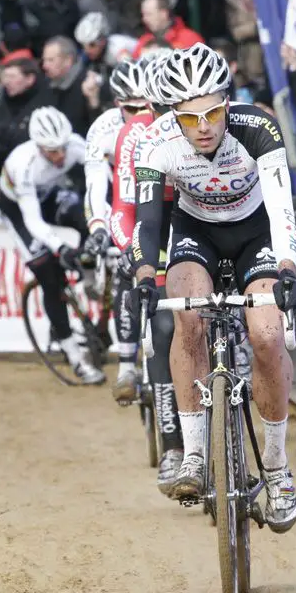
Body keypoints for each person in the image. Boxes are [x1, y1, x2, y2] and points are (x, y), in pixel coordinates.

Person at [130, 44, 296, 532]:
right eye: (190, 118)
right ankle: (193, 454)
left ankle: (276, 468)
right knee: (186, 317)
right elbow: (149, 224)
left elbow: (282, 208)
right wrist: (146, 276)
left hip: (256, 234)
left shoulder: (257, 128)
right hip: (196, 232)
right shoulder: (155, 144)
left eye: (212, 112)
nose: (203, 127)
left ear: (227, 102)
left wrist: (288, 269)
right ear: (172, 116)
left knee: (267, 337)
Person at [94, 52, 184, 493]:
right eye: (161, 107)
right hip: (153, 224)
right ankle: (172, 445)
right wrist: (138, 257)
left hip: (202, 223)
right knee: (165, 327)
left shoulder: (211, 124)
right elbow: (124, 209)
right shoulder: (135, 133)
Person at [0, 107, 105, 385]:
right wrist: (60, 248)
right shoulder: (23, 164)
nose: (59, 156)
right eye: (51, 151)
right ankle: (75, 357)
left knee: (84, 216)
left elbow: (107, 178)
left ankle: (88, 274)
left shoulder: (76, 145)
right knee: (48, 275)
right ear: (38, 145)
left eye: (62, 149)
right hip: (19, 209)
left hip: (49, 195)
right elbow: (33, 221)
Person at [82, 59, 151, 402]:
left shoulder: (163, 120)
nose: (140, 113)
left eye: (146, 105)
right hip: (120, 200)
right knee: (125, 265)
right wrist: (98, 226)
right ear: (116, 106)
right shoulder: (103, 129)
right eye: (131, 108)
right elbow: (96, 185)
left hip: (158, 196)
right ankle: (126, 363)